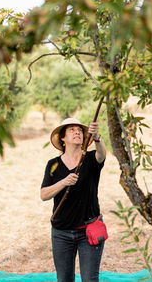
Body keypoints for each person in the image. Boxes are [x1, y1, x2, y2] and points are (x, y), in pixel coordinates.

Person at [40, 117, 106, 282]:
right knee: (64, 279)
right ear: (62, 138)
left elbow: (102, 154)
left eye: (80, 130)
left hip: (89, 229)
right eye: (71, 129)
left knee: (90, 279)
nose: (77, 132)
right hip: (61, 232)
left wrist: (97, 136)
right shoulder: (53, 164)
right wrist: (63, 182)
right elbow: (44, 194)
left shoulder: (90, 159)